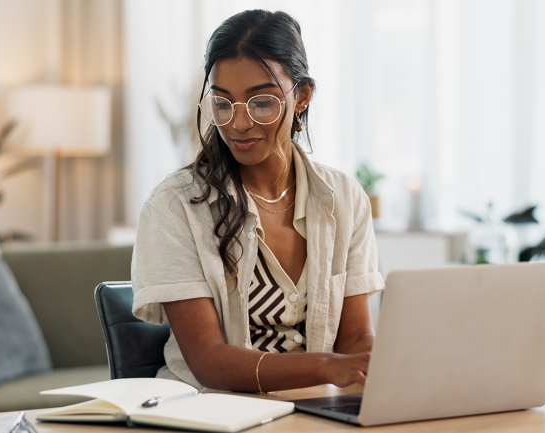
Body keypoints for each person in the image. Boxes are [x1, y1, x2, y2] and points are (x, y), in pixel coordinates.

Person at [131, 9, 384, 393]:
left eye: (261, 102)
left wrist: (383, 361)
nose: (239, 123)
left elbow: (355, 339)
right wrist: (326, 368)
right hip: (211, 411)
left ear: (302, 97)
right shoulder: (173, 206)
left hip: (313, 411)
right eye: (222, 103)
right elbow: (209, 361)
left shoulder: (344, 198)